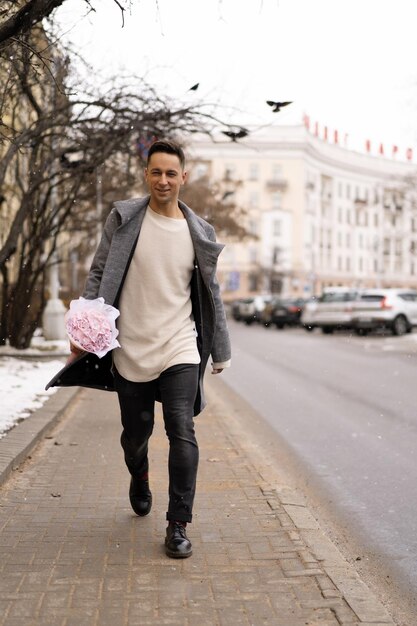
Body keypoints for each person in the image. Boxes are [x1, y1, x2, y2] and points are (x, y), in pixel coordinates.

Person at [53, 139, 231, 559]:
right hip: (130, 345)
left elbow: (211, 292)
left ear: (184, 177)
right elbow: (100, 271)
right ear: (146, 175)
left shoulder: (199, 231)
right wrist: (84, 327)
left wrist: (220, 348)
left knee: (182, 431)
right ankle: (140, 474)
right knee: (136, 436)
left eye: (172, 173)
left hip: (179, 345)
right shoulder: (125, 218)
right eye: (156, 172)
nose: (164, 180)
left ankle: (178, 525)